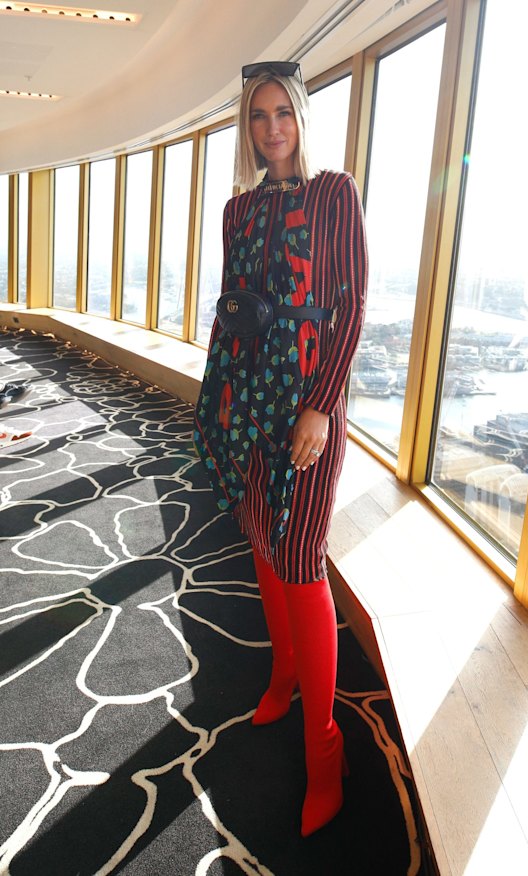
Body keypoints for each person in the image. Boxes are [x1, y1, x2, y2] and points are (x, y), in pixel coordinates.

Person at [193, 60, 367, 837]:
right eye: (259, 116)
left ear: (301, 116)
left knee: (301, 557)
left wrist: (322, 406)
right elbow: (234, 308)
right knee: (263, 541)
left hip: (308, 404)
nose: (272, 129)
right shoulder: (238, 210)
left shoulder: (334, 194)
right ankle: (284, 671)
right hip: (252, 397)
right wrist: (222, 396)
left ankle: (324, 747)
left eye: (283, 113)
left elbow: (351, 307)